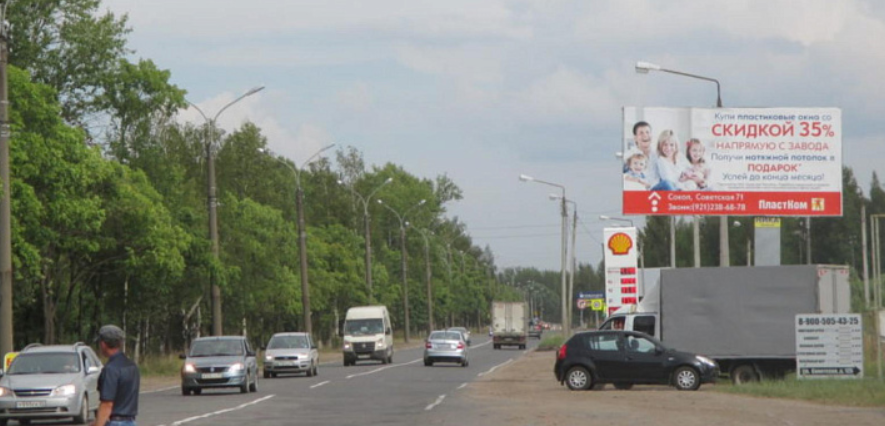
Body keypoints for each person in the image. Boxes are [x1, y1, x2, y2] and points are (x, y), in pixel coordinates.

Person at [95, 324, 140, 426]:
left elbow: (107, 404)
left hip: (115, 422)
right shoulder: (132, 366)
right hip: (130, 421)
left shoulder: (110, 369)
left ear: (103, 344)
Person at [624, 121, 660, 188]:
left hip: (657, 189)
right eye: (641, 133)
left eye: (647, 132)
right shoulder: (629, 155)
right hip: (639, 189)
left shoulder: (658, 154)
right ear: (635, 138)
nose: (645, 135)